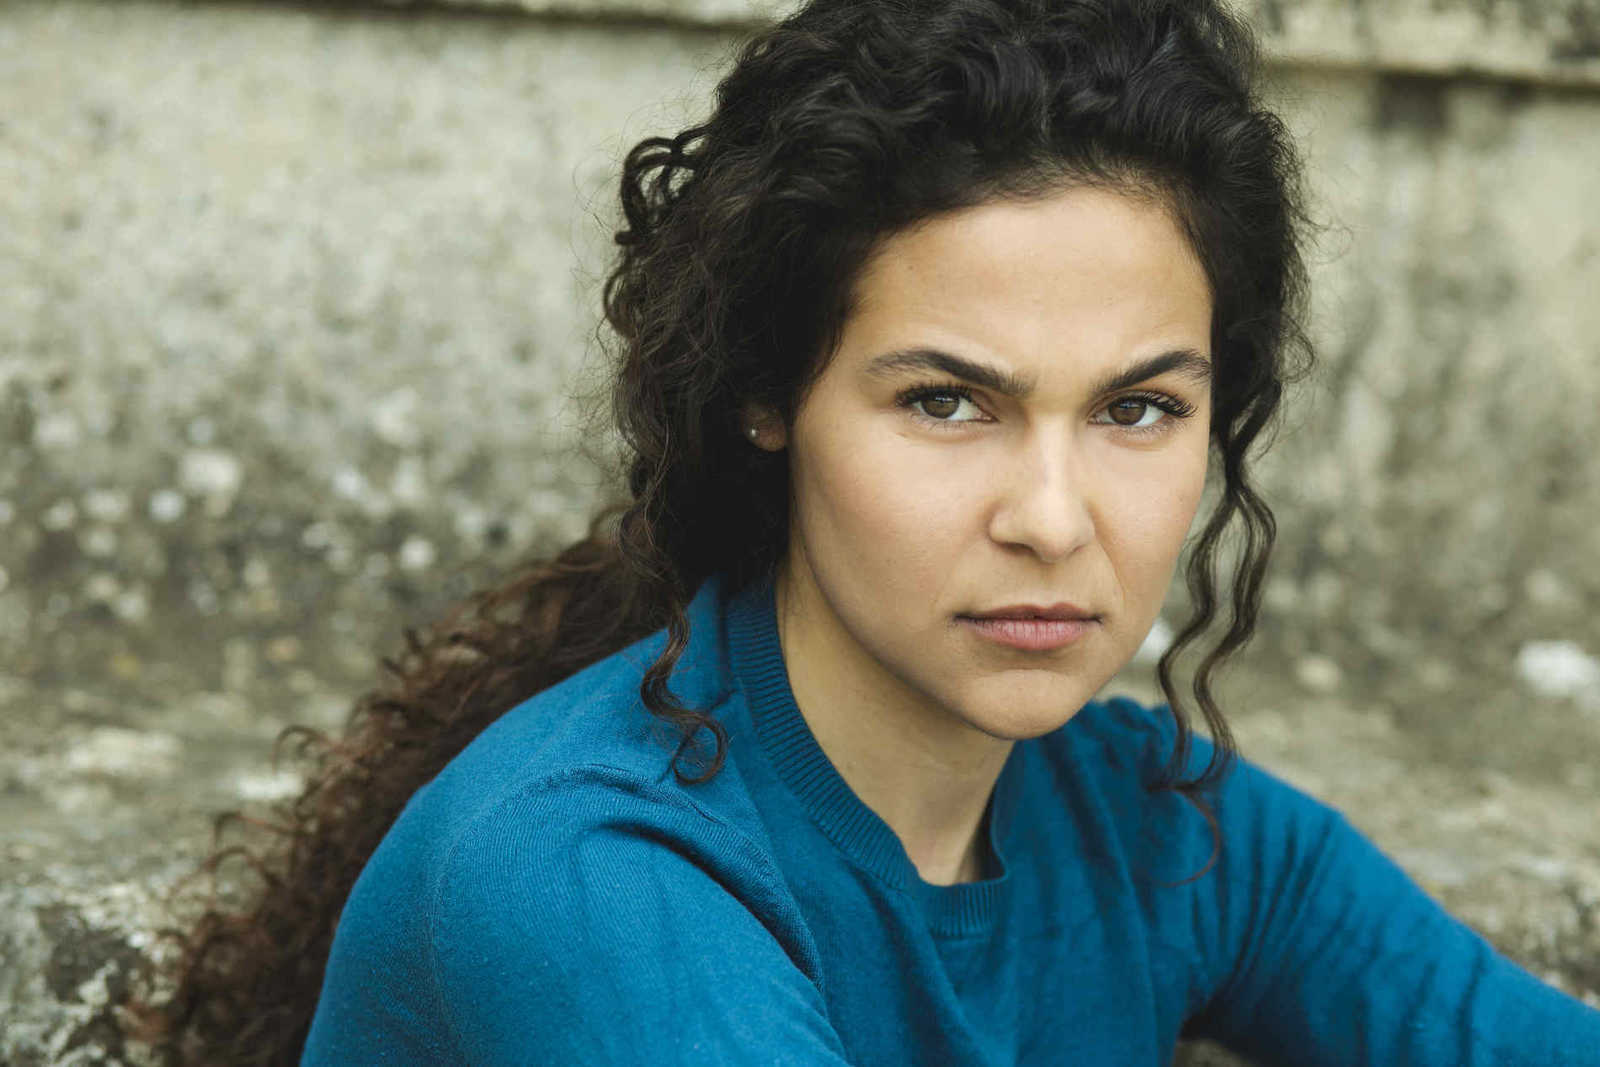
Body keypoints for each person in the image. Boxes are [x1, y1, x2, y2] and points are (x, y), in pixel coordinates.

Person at [129, 0, 1600, 1063]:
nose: (1053, 519)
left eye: (1138, 409)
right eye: (947, 402)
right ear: (769, 396)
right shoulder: (587, 873)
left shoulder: (1159, 827)